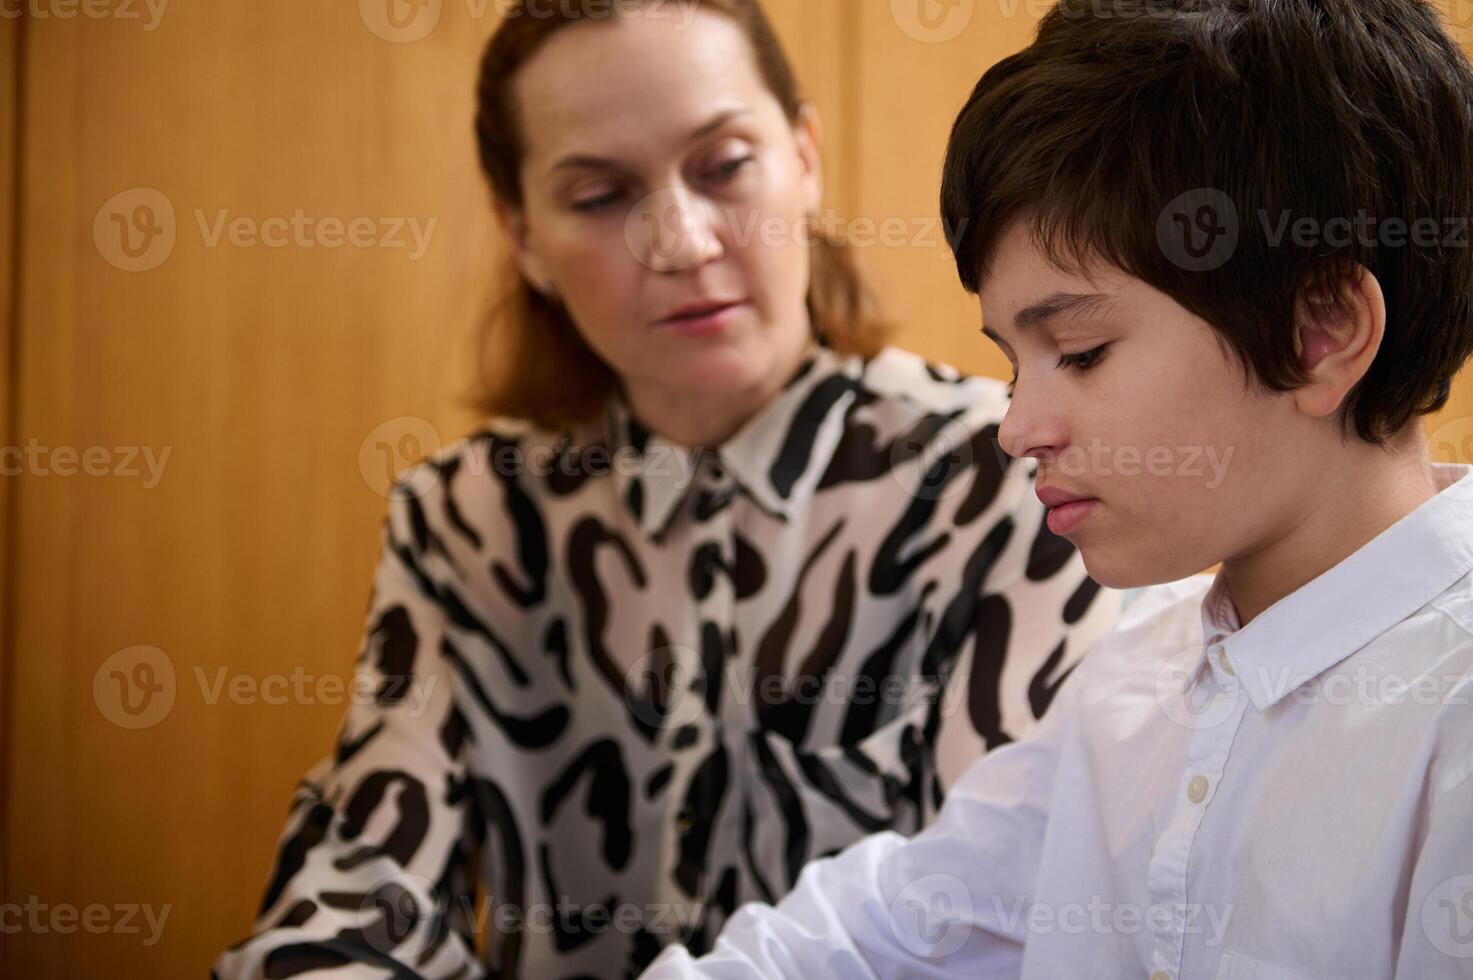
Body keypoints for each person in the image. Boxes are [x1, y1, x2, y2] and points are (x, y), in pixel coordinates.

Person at [211, 2, 1118, 977]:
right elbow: (357, 888)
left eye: (724, 167)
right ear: (522, 235)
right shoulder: (469, 519)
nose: (681, 242)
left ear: (804, 157)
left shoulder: (1007, 478)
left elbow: (998, 915)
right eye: (600, 195)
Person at [640, 0, 1473, 976]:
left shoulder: (1446, 723)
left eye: (1079, 350)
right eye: (1013, 362)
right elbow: (885, 928)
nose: (1016, 427)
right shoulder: (1134, 685)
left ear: (1320, 332)